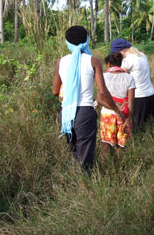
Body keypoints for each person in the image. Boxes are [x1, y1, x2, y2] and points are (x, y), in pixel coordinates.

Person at [52, 26, 124, 172]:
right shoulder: (93, 61)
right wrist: (117, 111)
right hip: (85, 113)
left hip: (66, 114)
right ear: (86, 41)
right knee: (84, 157)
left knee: (73, 152)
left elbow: (55, 91)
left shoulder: (61, 62)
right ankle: (83, 184)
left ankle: (73, 182)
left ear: (67, 42)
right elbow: (102, 92)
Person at [110, 38, 154, 132]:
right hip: (150, 96)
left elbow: (118, 77)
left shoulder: (127, 60)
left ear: (121, 50)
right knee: (148, 128)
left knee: (136, 130)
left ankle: (137, 146)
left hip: (138, 99)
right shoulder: (142, 55)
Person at [97, 52, 135, 160]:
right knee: (120, 146)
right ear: (120, 63)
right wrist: (127, 120)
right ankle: (119, 169)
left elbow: (99, 100)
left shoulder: (103, 77)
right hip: (123, 116)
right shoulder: (129, 78)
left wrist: (114, 108)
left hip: (107, 115)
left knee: (105, 145)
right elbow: (131, 102)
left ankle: (104, 170)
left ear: (108, 64)